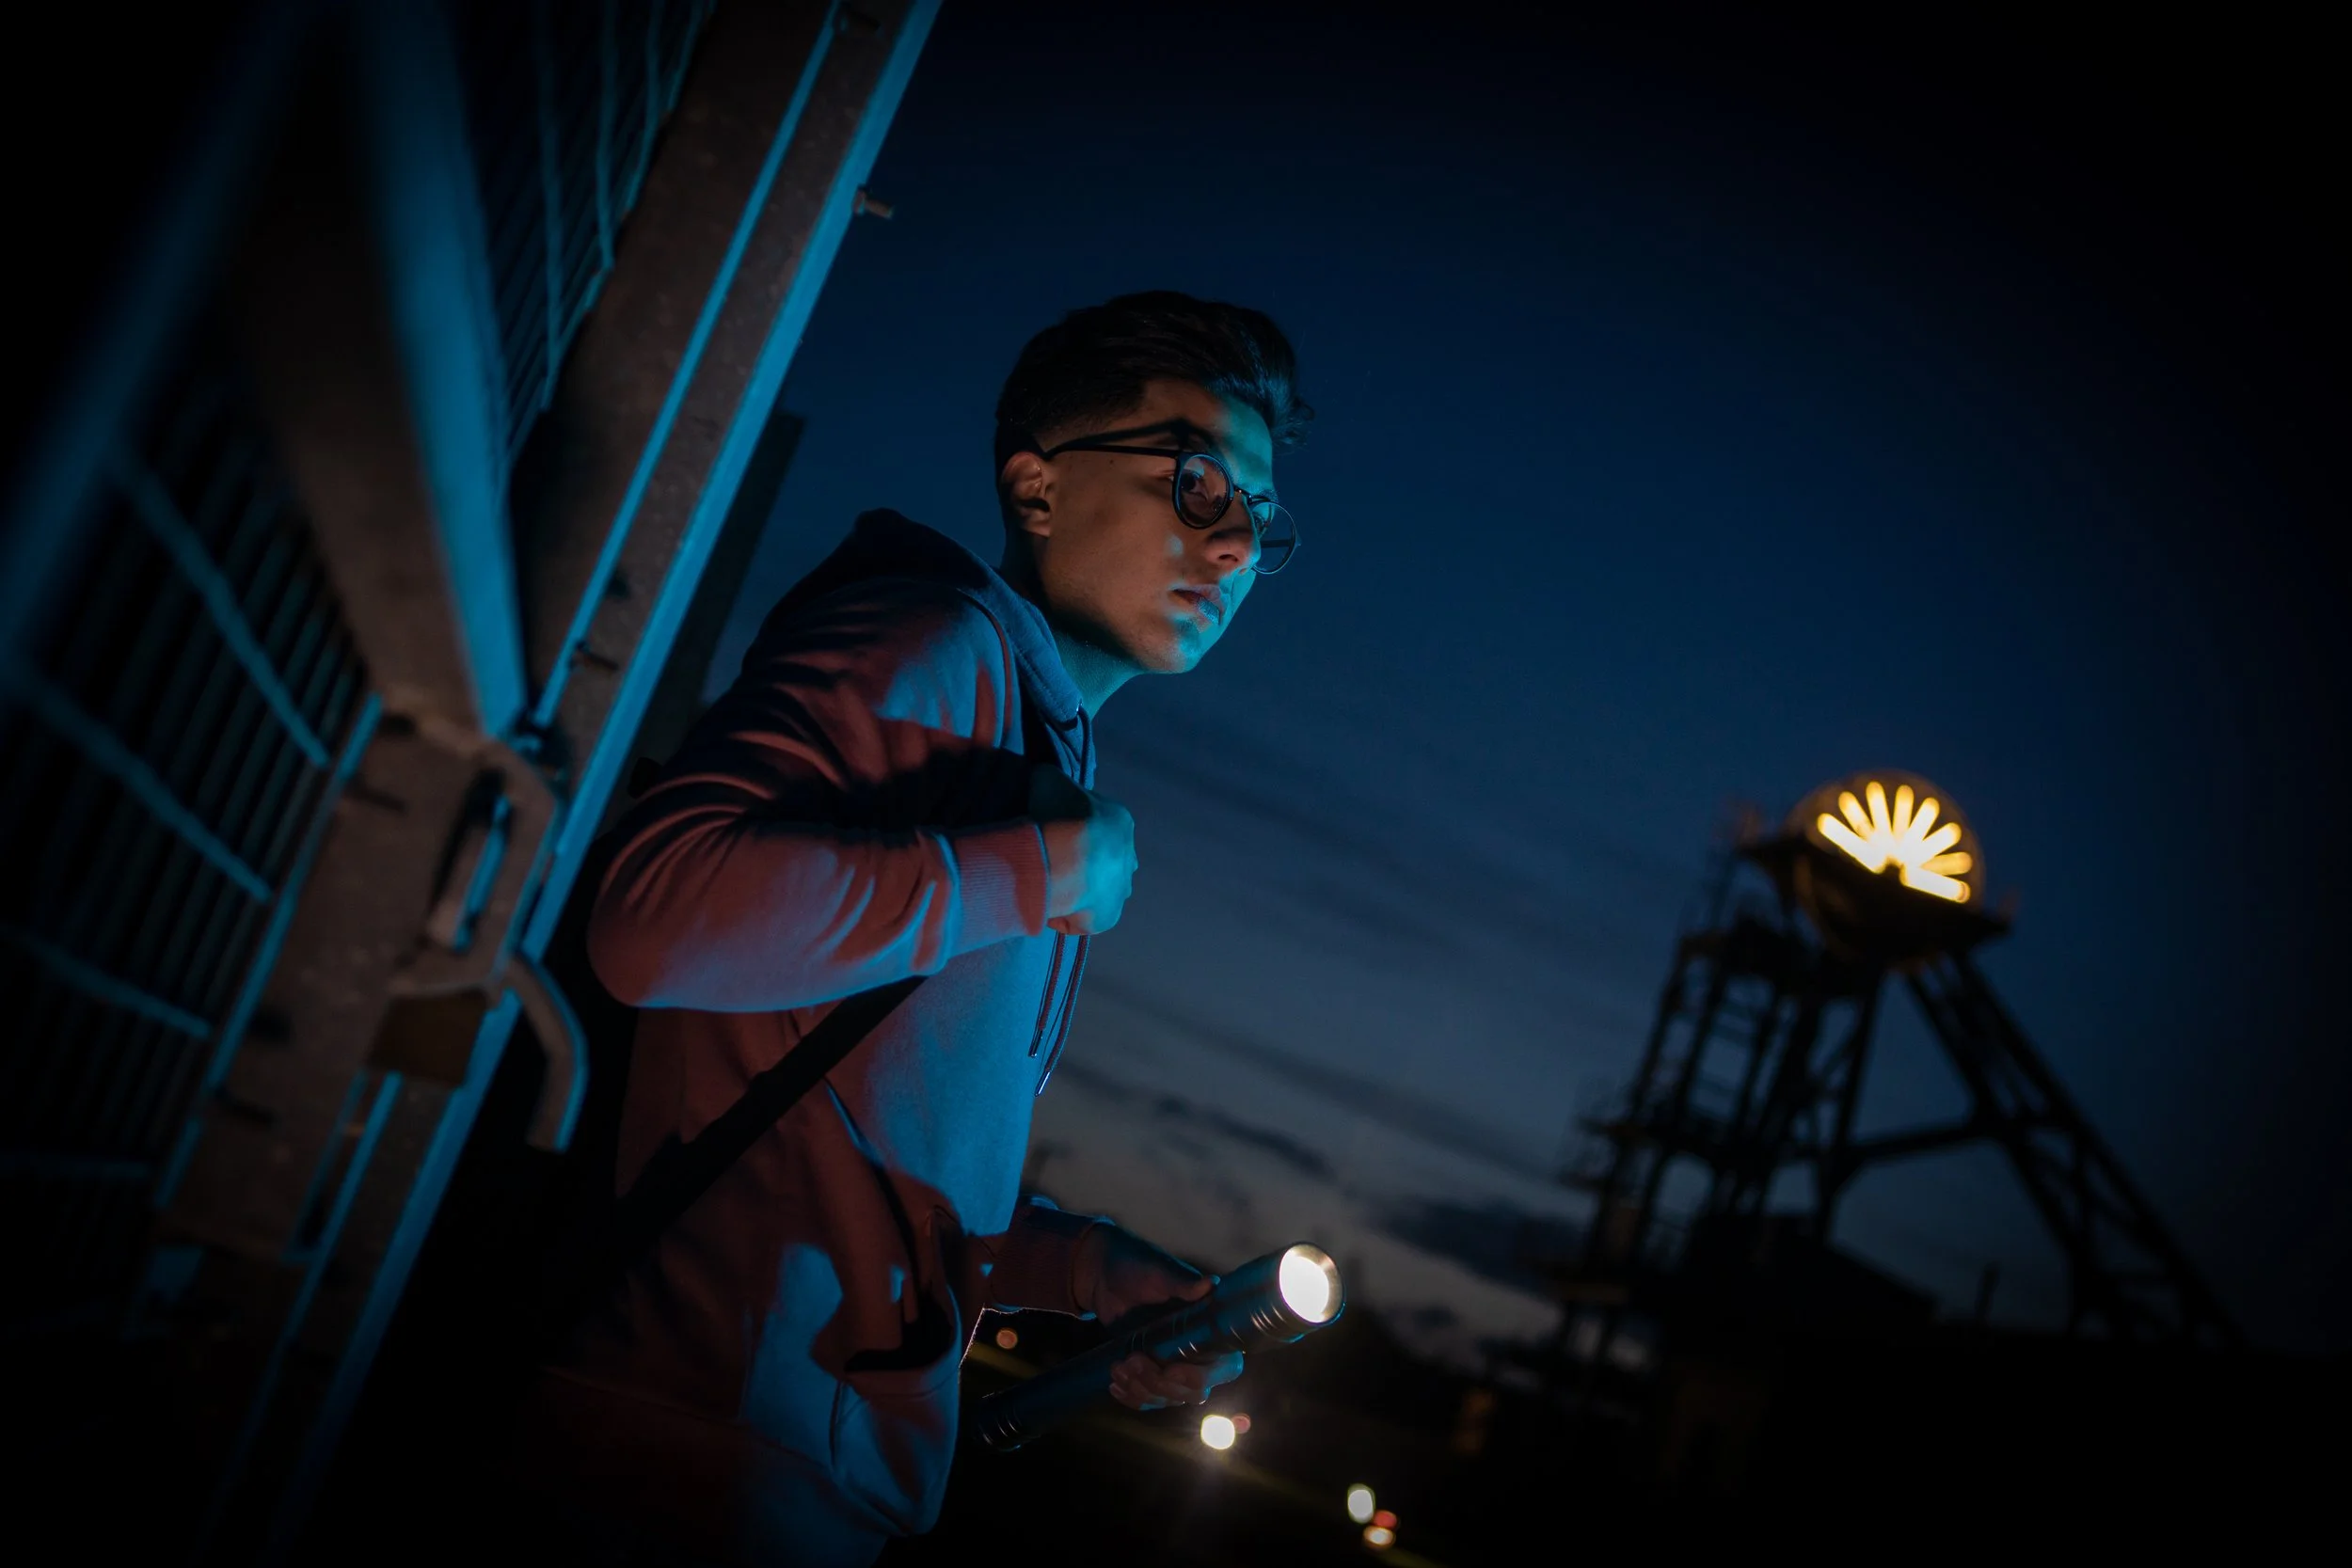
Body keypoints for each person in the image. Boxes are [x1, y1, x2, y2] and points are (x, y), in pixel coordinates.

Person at [510, 292, 1311, 1564]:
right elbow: (650, 914)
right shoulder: (933, 639)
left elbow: (862, 1143)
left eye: (1260, 528)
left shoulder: (1042, 744)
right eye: (1200, 482)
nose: (1230, 549)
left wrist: (1090, 1276)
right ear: (1037, 487)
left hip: (805, 1477)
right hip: (676, 1443)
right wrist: (1029, 868)